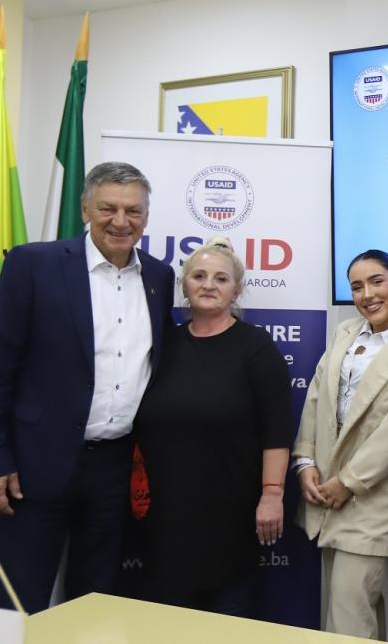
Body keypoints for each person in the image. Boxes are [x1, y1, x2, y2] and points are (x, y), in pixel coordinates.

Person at [0, 162, 176, 612]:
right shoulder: (33, 264)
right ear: (85, 209)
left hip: (114, 469)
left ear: (146, 215)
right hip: (32, 469)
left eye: (133, 210)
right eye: (108, 208)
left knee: (96, 601)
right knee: (15, 601)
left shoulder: (159, 278)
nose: (121, 221)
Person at [134, 237, 293, 615]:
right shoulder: (162, 344)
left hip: (230, 517)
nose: (209, 285)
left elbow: (277, 431)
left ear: (236, 290)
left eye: (221, 279)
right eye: (199, 276)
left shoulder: (256, 347)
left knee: (225, 623)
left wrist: (272, 494)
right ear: (184, 285)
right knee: (167, 624)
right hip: (165, 517)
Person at [292, 249, 388, 640]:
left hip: (372, 497)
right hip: (326, 491)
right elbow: (315, 401)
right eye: (357, 286)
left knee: (348, 611)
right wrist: (305, 462)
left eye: (377, 281)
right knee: (359, 611)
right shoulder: (345, 333)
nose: (367, 294)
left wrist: (350, 481)